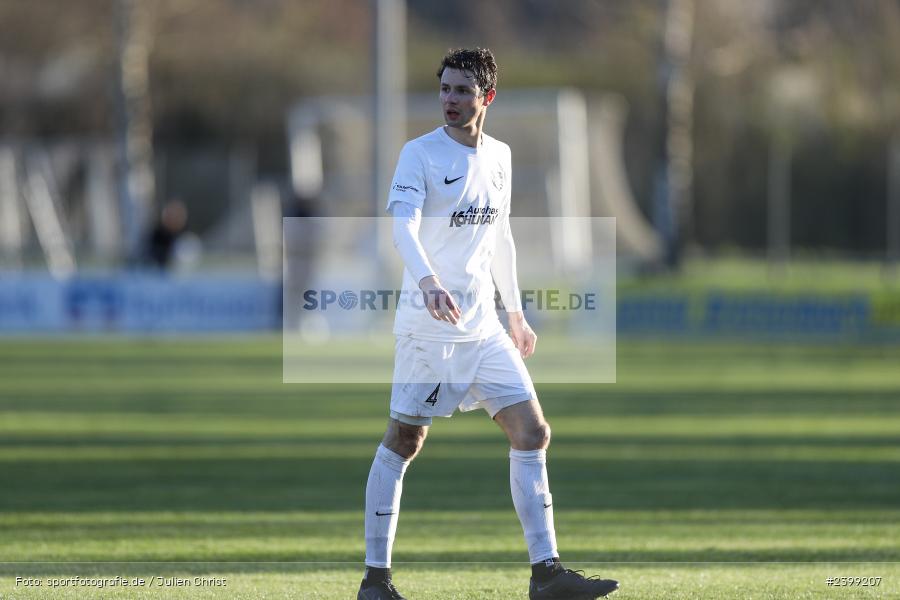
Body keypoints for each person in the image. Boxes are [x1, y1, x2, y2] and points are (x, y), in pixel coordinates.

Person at [358, 48, 619, 600]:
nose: (450, 100)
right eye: (445, 90)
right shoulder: (419, 154)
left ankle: (546, 575)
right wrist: (428, 282)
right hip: (429, 329)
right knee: (406, 438)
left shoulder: (499, 156)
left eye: (463, 92)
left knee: (532, 431)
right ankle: (375, 581)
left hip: (484, 329)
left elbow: (500, 239)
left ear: (487, 98)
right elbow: (401, 227)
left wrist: (516, 313)